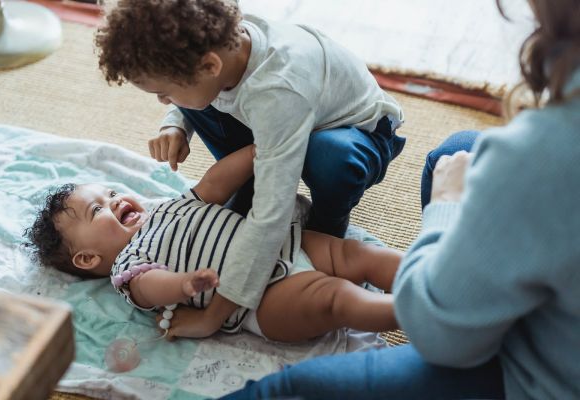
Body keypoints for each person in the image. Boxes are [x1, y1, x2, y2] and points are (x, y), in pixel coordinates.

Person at [218, 0, 580, 398]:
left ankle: (443, 294)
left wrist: (444, 207)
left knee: (288, 385)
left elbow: (437, 340)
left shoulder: (539, 151)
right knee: (455, 152)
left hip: (542, 378)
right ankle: (454, 286)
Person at [94, 0, 406, 320]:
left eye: (163, 93)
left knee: (328, 158)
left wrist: (215, 314)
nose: (162, 101)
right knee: (195, 100)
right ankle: (249, 180)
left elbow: (273, 211)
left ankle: (328, 224)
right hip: (278, 117)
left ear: (210, 66)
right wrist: (175, 123)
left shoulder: (278, 88)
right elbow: (191, 84)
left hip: (360, 133)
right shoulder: (222, 43)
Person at [25, 144, 402, 342]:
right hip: (264, 297)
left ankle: (431, 273)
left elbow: (212, 186)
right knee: (336, 297)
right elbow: (149, 287)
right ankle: (415, 309)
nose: (115, 200)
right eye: (98, 210)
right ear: (89, 258)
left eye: (109, 192)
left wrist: (254, 153)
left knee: (356, 254)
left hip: (285, 243)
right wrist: (183, 284)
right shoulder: (128, 264)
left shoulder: (164, 208)